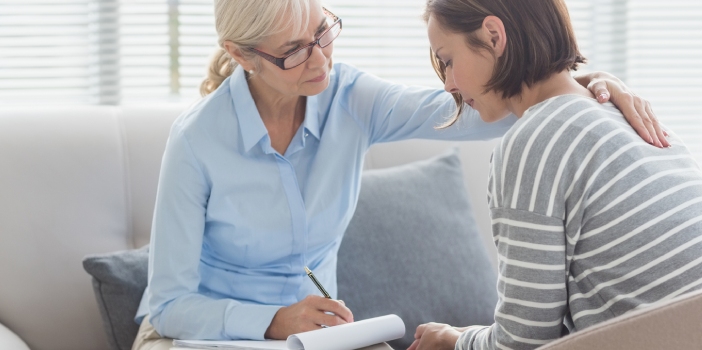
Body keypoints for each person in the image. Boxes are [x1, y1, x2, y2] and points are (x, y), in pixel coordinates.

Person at [131, 0, 667, 349]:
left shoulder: (348, 98)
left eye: (322, 32)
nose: (319, 60)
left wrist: (581, 85)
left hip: (313, 339)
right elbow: (170, 306)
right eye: (293, 52)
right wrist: (273, 321)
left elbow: (480, 107)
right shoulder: (196, 141)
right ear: (241, 55)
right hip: (196, 335)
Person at [409, 0, 702, 349]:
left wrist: (455, 341)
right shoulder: (635, 120)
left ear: (493, 36)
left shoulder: (533, 142)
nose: (448, 85)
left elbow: (522, 342)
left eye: (448, 61)